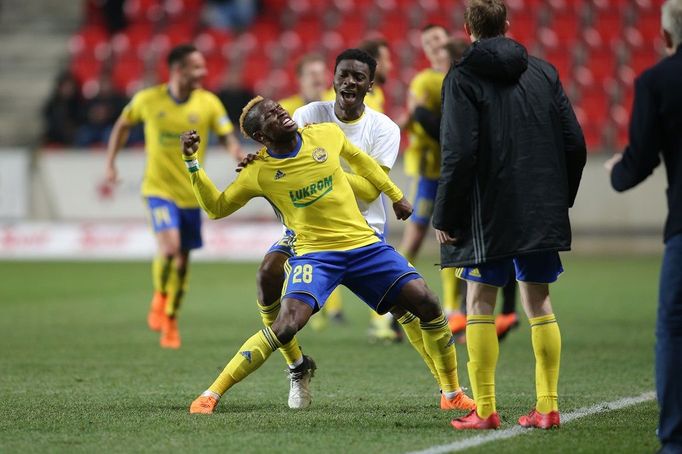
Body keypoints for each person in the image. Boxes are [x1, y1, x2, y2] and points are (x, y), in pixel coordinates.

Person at [184, 97, 475, 414]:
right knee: (286, 325)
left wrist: (396, 195)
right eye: (269, 115)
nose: (279, 110)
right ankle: (211, 394)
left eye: (277, 106)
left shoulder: (325, 133)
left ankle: (452, 394)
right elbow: (216, 207)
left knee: (427, 303)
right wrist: (192, 163)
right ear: (261, 137)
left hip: (364, 245)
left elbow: (362, 163)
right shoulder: (258, 172)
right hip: (315, 256)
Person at [253, 48, 451, 407]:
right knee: (268, 273)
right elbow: (286, 162)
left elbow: (371, 188)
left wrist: (324, 173)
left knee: (406, 309)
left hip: (363, 230)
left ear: (370, 85)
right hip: (310, 228)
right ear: (333, 78)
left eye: (358, 77)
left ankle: (446, 388)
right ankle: (297, 368)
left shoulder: (384, 128)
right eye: (343, 74)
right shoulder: (308, 114)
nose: (349, 81)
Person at [433, 0, 586, 430]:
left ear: (467, 29)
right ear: (507, 24)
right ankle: (548, 407)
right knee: (538, 301)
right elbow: (575, 143)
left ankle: (484, 409)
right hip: (539, 206)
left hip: (487, 213)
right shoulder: (544, 72)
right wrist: (559, 199)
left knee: (479, 300)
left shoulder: (461, 77)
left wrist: (446, 212)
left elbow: (459, 153)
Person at [104, 44, 242, 349]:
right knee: (169, 248)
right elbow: (122, 125)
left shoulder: (209, 102)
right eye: (197, 66)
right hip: (158, 189)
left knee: (182, 262)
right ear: (178, 70)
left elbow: (225, 133)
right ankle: (159, 296)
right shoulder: (148, 100)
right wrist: (111, 162)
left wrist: (236, 152)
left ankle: (171, 318)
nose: (204, 72)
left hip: (192, 195)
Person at [605, 0, 682, 450]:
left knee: (673, 330)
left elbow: (639, 160)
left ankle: (673, 440)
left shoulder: (658, 81)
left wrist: (617, 172)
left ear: (667, 37)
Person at [397, 25, 462, 335]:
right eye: (428, 41)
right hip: (429, 170)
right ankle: (390, 292)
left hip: (455, 169)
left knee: (451, 235)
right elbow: (415, 116)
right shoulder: (425, 80)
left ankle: (453, 307)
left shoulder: (461, 74)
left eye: (438, 38)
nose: (435, 44)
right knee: (417, 232)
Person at [42, 71, 81, 145]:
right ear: (60, 88)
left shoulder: (78, 103)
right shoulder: (53, 103)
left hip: (73, 134)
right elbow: (48, 117)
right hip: (55, 132)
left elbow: (80, 118)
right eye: (66, 87)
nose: (68, 89)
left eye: (70, 87)